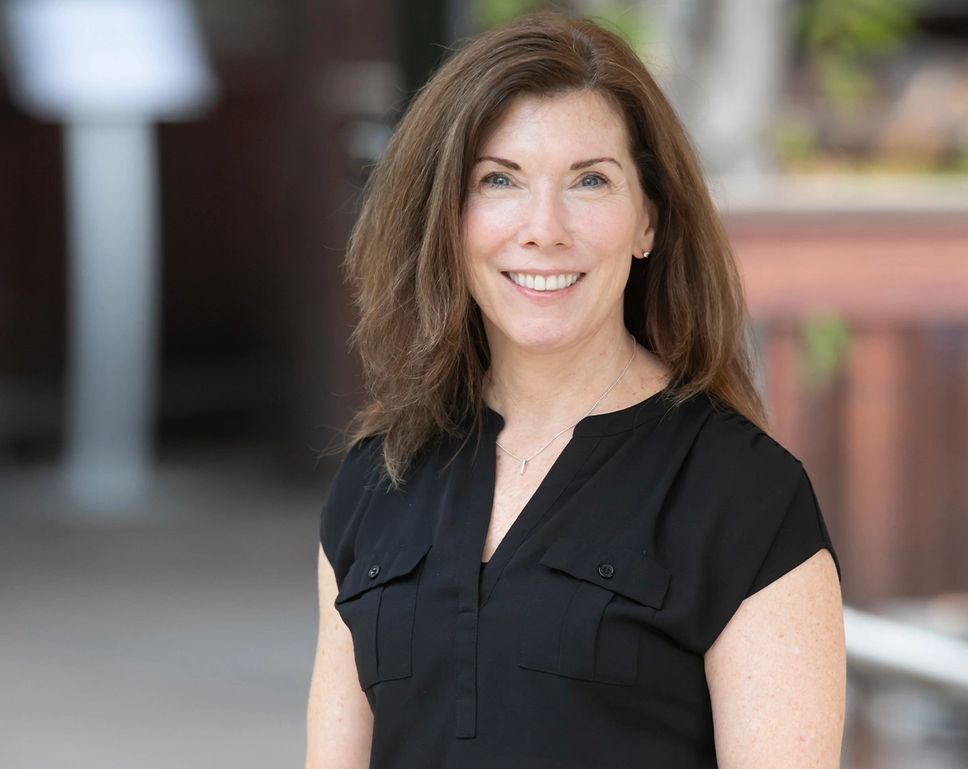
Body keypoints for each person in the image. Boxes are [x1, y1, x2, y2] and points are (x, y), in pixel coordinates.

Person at [306, 11, 845, 769]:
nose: (543, 227)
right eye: (499, 180)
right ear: (447, 218)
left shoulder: (746, 498)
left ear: (647, 219)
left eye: (589, 181)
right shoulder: (376, 479)